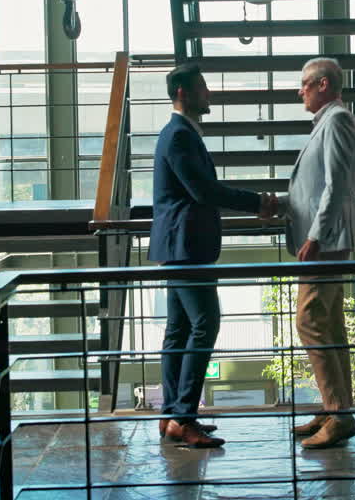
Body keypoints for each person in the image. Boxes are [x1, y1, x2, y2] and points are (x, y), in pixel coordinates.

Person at [150, 62, 277, 448]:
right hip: (186, 247)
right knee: (206, 323)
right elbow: (204, 191)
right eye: (202, 87)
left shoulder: (180, 133)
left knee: (179, 331)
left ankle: (173, 416)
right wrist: (257, 202)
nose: (209, 94)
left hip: (180, 246)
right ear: (183, 93)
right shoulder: (179, 136)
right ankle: (183, 417)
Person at [279, 57, 355, 449]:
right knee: (328, 325)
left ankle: (339, 413)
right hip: (325, 241)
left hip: (325, 243)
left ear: (323, 84)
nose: (300, 91)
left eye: (305, 84)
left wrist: (315, 236)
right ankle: (336, 409)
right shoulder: (329, 121)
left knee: (310, 321)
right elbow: (317, 187)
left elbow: (336, 185)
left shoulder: (337, 120)